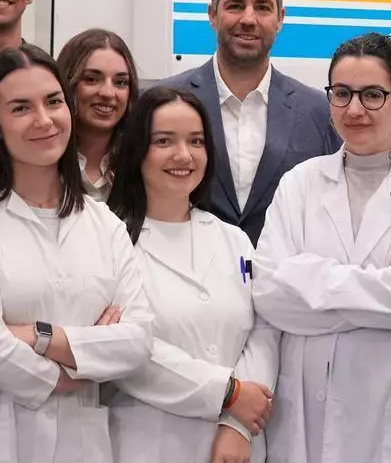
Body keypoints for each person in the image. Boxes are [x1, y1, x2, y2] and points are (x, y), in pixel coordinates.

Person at [0, 44, 154, 463]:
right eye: (21, 108)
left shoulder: (104, 224)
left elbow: (136, 342)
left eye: (53, 102)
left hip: (78, 441)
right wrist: (75, 370)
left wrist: (36, 335)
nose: (44, 120)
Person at [253, 33, 391, 463]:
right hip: (306, 412)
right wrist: (381, 287)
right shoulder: (299, 183)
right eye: (342, 93)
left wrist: (307, 278)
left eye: (372, 95)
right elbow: (269, 295)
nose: (354, 109)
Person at [105, 86, 280, 463]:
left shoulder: (234, 239)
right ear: (137, 150)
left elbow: (264, 331)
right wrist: (228, 394)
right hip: (148, 444)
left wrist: (237, 424)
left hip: (237, 445)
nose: (183, 155)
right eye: (164, 141)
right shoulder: (109, 241)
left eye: (196, 141)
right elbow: (125, 352)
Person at [161, 0, 342, 244]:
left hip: (288, 271)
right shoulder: (165, 102)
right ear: (212, 15)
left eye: (262, 7)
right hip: (184, 267)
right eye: (235, 6)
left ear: (280, 18)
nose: (248, 19)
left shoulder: (320, 112)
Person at [56, 28, 138, 201]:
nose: (108, 93)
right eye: (91, 79)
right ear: (66, 83)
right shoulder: (42, 162)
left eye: (120, 82)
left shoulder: (142, 165)